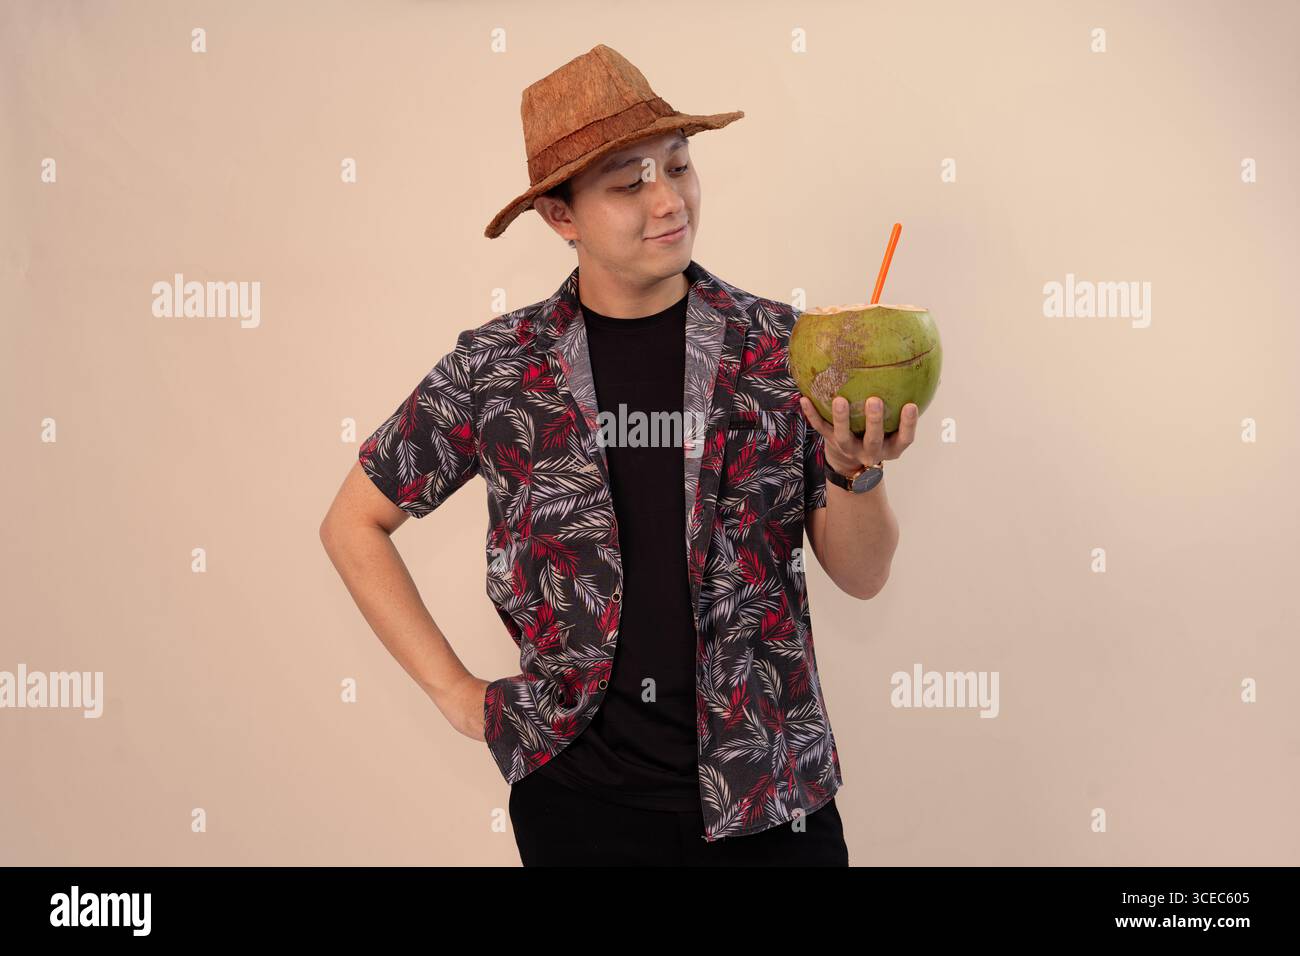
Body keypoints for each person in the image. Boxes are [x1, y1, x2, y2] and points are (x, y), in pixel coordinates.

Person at [319, 44, 918, 866]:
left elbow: (863, 574)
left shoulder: (784, 348)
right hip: (582, 809)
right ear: (560, 217)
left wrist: (857, 469)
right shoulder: (500, 369)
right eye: (628, 183)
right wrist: (458, 697)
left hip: (772, 801)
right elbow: (353, 523)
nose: (667, 200)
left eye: (678, 165)